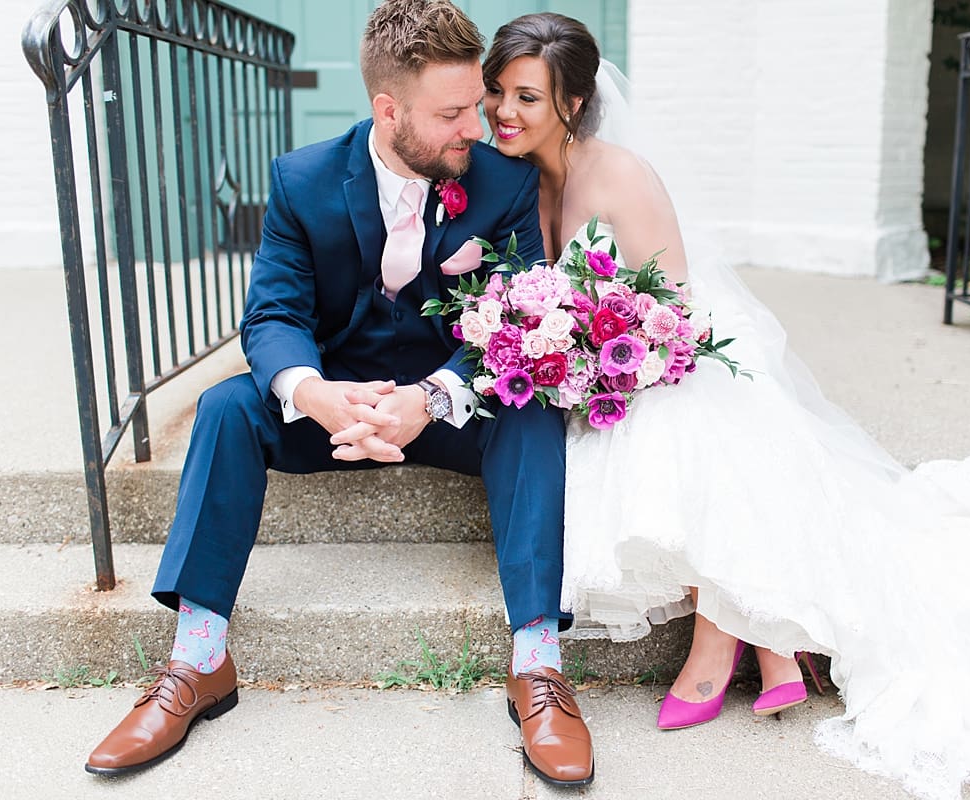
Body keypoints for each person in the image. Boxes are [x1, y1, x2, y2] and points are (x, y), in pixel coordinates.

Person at [482, 12, 970, 800]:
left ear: (571, 103)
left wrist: (606, 360)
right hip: (604, 370)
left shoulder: (621, 175)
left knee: (676, 431)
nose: (505, 109)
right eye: (498, 90)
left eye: (526, 95)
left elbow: (675, 309)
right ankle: (761, 633)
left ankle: (727, 630)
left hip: (675, 354)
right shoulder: (521, 178)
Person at [84, 1, 593, 787]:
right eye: (452, 113)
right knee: (225, 408)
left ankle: (537, 664)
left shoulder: (505, 183)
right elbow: (274, 314)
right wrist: (315, 392)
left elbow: (518, 318)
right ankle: (197, 660)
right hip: (334, 408)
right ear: (389, 110)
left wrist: (434, 393)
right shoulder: (302, 178)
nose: (476, 126)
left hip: (443, 411)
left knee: (529, 409)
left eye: (474, 106)